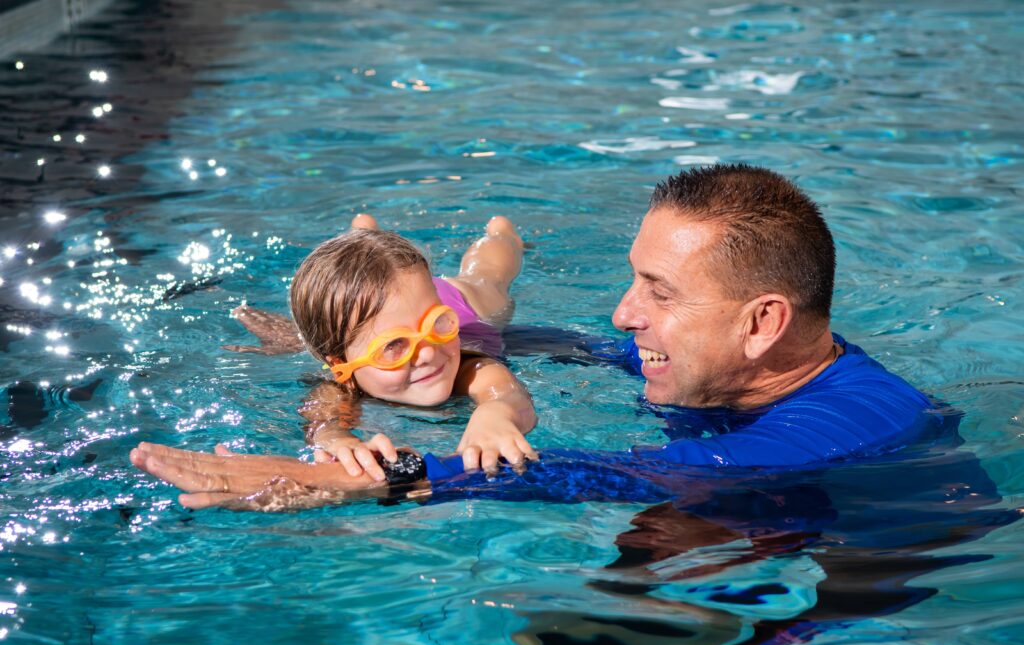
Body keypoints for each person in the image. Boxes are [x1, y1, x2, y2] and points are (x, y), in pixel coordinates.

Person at [130, 163, 947, 503]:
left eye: (657, 293)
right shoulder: (735, 366)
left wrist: (380, 478)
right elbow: (578, 347)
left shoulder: (851, 428)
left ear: (763, 321)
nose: (624, 314)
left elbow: (608, 474)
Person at [224, 213, 537, 485]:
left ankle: (501, 235)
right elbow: (322, 422)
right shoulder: (338, 386)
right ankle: (363, 234)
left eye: (435, 326)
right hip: (393, 311)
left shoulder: (471, 368)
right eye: (394, 346)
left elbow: (507, 393)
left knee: (487, 278)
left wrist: (496, 414)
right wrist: (339, 440)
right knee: (300, 341)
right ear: (341, 366)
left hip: (465, 302)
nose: (427, 352)